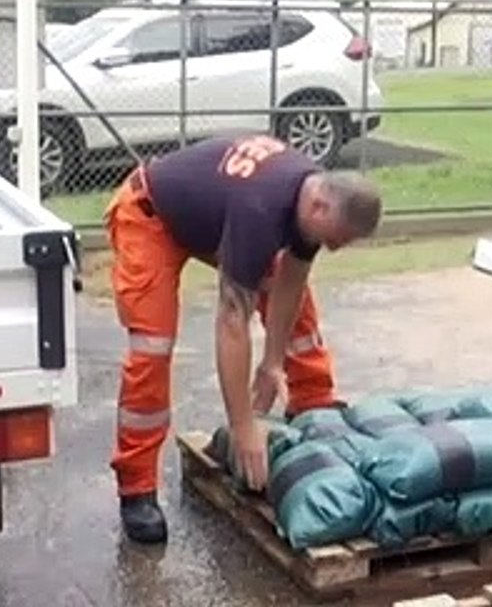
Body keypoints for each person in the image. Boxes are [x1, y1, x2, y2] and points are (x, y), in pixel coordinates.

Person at [103, 134, 383, 544]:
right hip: (150, 216)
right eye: (336, 238)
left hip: (214, 214)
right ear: (319, 206)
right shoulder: (262, 209)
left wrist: (272, 364)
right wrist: (244, 427)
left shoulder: (310, 195)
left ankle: (315, 413)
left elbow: (292, 280)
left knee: (299, 316)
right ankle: (137, 487)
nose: (336, 249)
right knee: (153, 347)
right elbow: (232, 320)